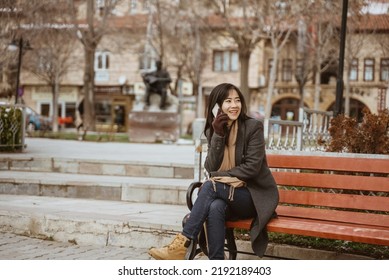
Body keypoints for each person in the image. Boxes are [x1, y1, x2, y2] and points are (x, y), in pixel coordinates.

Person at [148, 83, 279, 260]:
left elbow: (252, 167)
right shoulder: (214, 130)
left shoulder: (253, 127)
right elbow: (210, 167)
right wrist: (218, 134)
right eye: (228, 101)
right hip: (225, 195)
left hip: (252, 196)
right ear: (217, 106)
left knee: (210, 186)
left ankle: (182, 243)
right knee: (215, 206)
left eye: (237, 100)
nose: (234, 105)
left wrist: (217, 178)